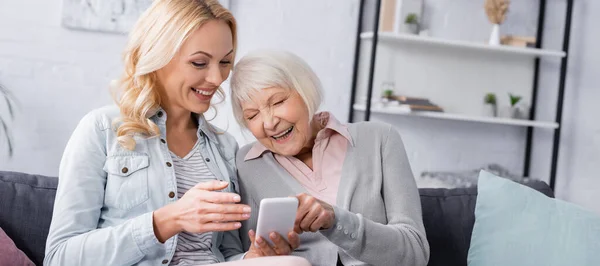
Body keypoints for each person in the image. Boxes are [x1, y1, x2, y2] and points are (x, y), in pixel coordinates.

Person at [44, 1, 308, 265]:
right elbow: (59, 257)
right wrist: (166, 221)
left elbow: (226, 253)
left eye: (225, 62)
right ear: (159, 56)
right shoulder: (102, 130)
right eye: (199, 62)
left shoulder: (225, 147)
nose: (217, 78)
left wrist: (253, 257)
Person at [230, 50, 430, 266]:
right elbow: (230, 255)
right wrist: (255, 257)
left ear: (305, 90)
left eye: (277, 102)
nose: (269, 123)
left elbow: (415, 252)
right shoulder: (246, 165)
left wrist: (335, 221)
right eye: (252, 115)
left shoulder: (379, 139)